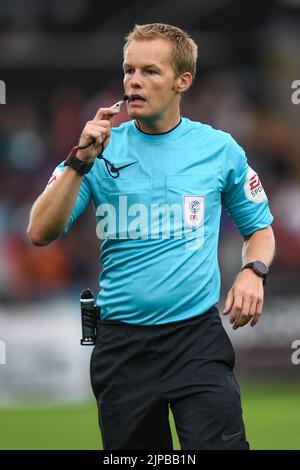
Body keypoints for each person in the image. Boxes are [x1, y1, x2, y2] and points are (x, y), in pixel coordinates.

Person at [27, 23, 275, 450]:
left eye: (150, 71)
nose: (134, 81)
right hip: (122, 345)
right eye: (128, 70)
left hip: (196, 340)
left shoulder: (219, 149)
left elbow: (260, 230)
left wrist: (253, 272)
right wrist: (81, 159)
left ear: (183, 81)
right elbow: (39, 231)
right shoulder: (98, 150)